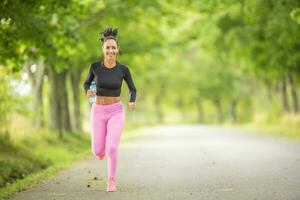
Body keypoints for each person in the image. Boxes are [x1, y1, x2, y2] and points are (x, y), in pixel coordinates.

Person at [83, 27, 137, 192]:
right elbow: (86, 83)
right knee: (97, 150)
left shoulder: (123, 70)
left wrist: (132, 100)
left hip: (116, 111)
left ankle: (111, 180)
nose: (111, 50)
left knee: (112, 147)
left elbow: (133, 89)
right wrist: (88, 91)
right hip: (98, 110)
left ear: (118, 50)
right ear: (103, 49)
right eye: (108, 47)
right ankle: (100, 150)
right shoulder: (95, 67)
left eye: (114, 48)